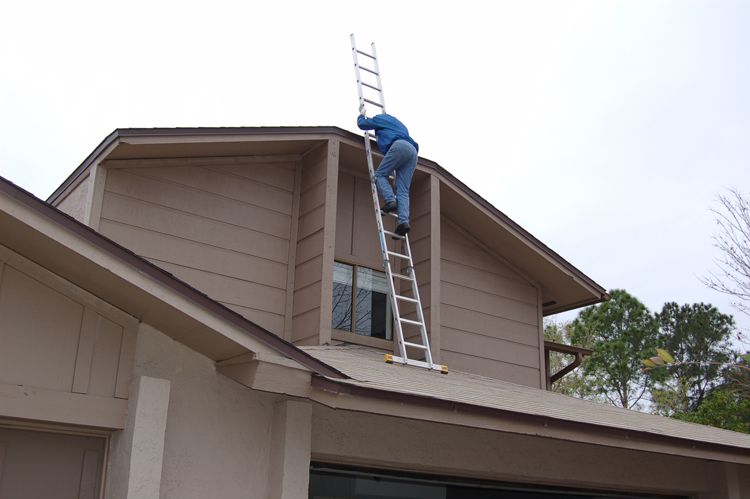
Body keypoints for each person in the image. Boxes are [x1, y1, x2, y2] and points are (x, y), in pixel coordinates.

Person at [357, 111, 419, 238]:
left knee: (380, 175)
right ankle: (403, 222)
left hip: (399, 146)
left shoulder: (381, 118)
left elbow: (363, 125)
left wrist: (361, 115)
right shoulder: (401, 125)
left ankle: (390, 200)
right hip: (413, 152)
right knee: (403, 190)